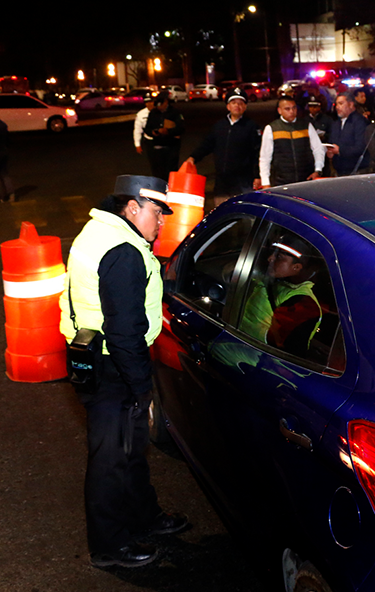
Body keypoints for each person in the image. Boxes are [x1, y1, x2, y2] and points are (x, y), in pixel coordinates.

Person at [59, 175, 188, 568]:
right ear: (132, 208)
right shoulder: (123, 251)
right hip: (113, 364)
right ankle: (109, 545)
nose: (163, 221)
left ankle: (143, 518)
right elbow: (124, 330)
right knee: (111, 459)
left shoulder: (100, 229)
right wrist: (139, 385)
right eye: (157, 212)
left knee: (129, 451)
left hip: (95, 357)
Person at [240, 235, 322, 356]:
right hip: (234, 352)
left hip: (246, 362)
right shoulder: (276, 282)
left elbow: (284, 351)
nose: (270, 258)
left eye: (279, 256)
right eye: (273, 253)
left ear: (296, 267)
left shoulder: (303, 303)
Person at [183, 88, 261, 206]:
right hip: (222, 180)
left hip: (243, 180)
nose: (237, 106)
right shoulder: (219, 125)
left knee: (243, 211)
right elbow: (207, 144)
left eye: (240, 103)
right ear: (228, 106)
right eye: (234, 103)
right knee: (222, 211)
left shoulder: (251, 126)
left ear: (245, 107)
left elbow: (257, 152)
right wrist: (193, 157)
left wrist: (257, 175)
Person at [259, 96, 324, 187]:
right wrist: (265, 183)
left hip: (305, 180)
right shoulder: (272, 129)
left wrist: (318, 170)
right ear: (279, 111)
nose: (291, 111)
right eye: (287, 109)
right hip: (281, 182)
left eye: (294, 108)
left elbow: (318, 149)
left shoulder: (306, 126)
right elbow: (265, 158)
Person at [143, 92, 185, 181]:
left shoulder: (175, 113)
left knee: (171, 170)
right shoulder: (153, 113)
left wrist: (168, 131)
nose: (159, 108)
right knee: (158, 170)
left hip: (171, 146)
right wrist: (153, 132)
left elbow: (181, 128)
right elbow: (147, 128)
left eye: (160, 105)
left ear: (166, 102)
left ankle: (170, 188)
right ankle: (160, 188)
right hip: (157, 146)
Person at [328, 92, 370, 175]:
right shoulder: (336, 124)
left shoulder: (360, 122)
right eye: (336, 104)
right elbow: (332, 141)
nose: (337, 107)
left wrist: (340, 150)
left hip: (357, 170)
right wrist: (330, 151)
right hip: (339, 170)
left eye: (341, 103)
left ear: (351, 104)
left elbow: (361, 147)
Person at [133, 91, 155, 159]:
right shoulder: (141, 114)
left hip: (163, 140)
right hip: (149, 141)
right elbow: (137, 130)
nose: (150, 104)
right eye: (147, 102)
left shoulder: (161, 111)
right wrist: (137, 144)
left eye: (151, 102)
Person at [0, 118, 14, 202]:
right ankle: (11, 194)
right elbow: (8, 140)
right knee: (4, 174)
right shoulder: (3, 125)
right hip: (3, 152)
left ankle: (2, 196)